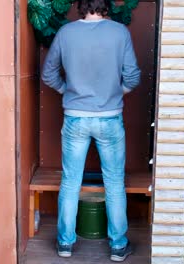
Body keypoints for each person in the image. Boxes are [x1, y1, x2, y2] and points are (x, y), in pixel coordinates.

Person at [41, 0, 141, 262]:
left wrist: (67, 92)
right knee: (115, 183)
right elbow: (132, 77)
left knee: (70, 182)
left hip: (75, 118)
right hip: (110, 119)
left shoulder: (66, 33)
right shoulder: (120, 32)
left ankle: (65, 244)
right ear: (105, 6)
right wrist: (114, 94)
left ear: (81, 6)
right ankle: (118, 246)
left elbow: (48, 74)